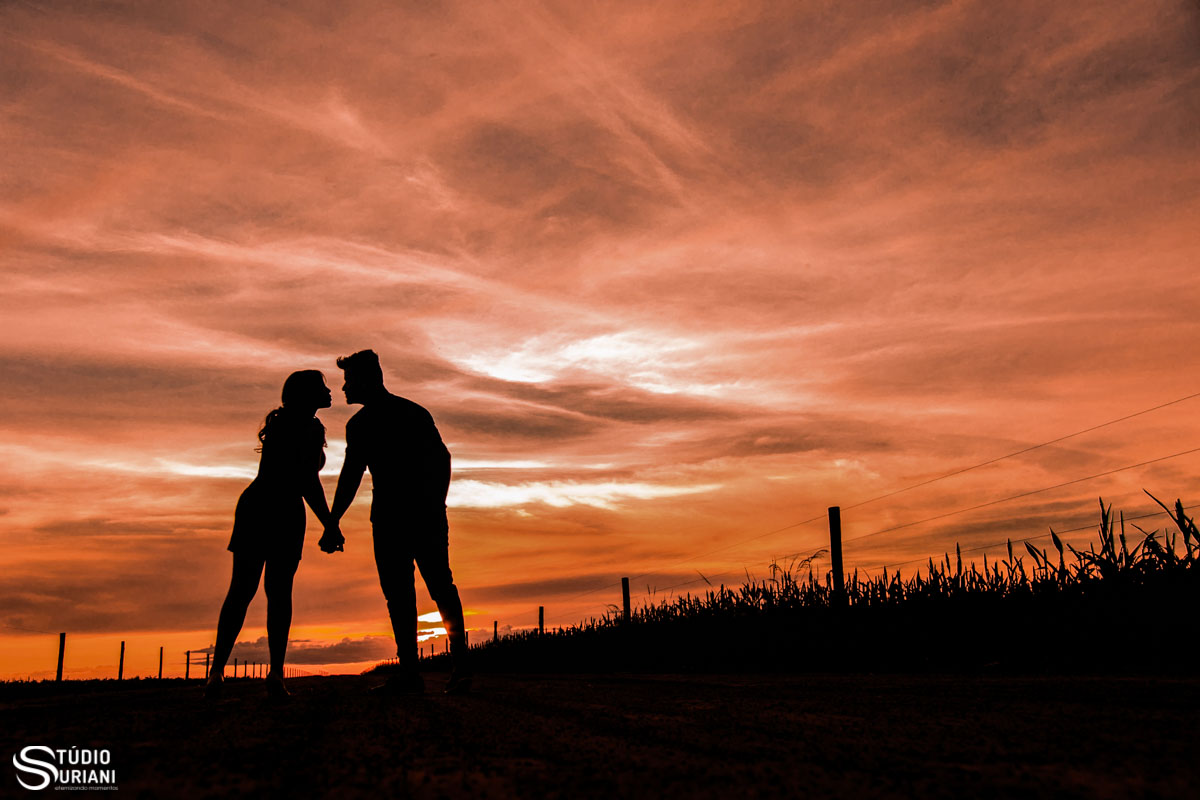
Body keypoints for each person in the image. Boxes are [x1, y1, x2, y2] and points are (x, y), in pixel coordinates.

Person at [320, 349, 470, 694]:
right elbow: (353, 476)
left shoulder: (372, 422)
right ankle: (433, 670)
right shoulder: (405, 414)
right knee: (428, 589)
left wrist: (333, 522)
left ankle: (439, 669)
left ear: (366, 380)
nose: (343, 389)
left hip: (401, 517)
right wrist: (437, 504)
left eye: (348, 381)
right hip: (404, 517)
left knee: (418, 591)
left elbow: (351, 477)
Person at [205, 370, 334, 702]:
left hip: (268, 507)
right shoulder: (302, 427)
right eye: (322, 387)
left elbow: (308, 481)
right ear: (307, 395)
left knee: (251, 591)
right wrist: (330, 524)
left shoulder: (305, 426)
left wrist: (329, 522)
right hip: (275, 509)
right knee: (266, 592)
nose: (330, 391)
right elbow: (308, 481)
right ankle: (260, 673)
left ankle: (228, 672)